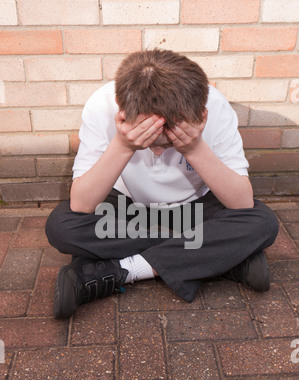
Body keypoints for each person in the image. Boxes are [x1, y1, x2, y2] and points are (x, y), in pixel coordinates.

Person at [45, 49, 279, 320]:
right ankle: (223, 261)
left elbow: (241, 203)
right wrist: (123, 146)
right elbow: (82, 204)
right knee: (62, 226)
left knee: (262, 222)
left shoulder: (216, 107)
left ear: (200, 116)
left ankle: (119, 270)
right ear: (123, 113)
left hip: (195, 211)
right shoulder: (101, 105)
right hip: (128, 211)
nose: (157, 153)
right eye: (148, 141)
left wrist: (194, 148)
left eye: (169, 142)